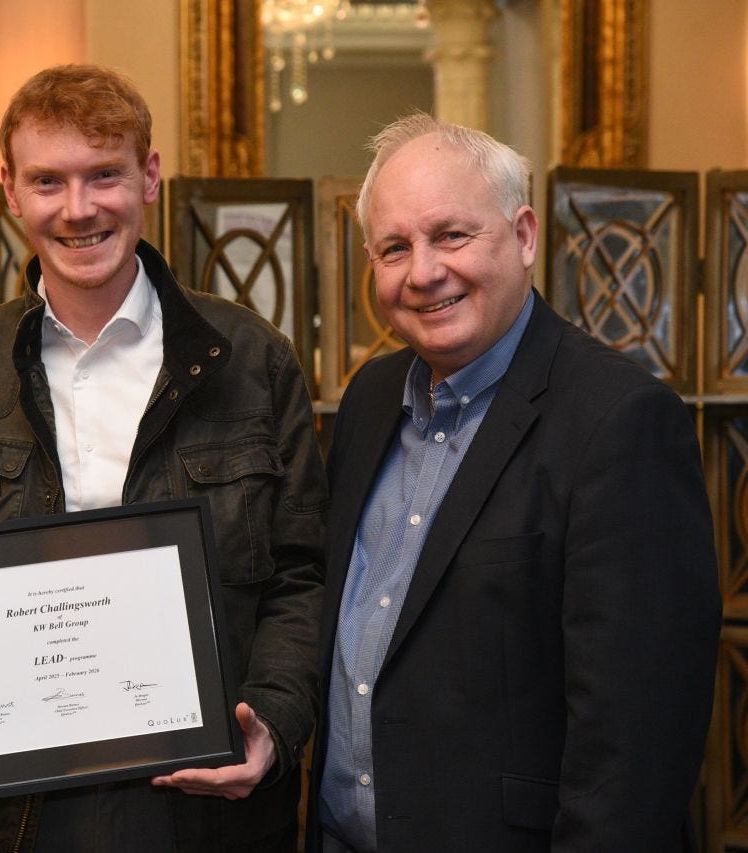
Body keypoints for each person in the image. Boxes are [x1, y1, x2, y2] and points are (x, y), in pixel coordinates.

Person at [0, 64, 327, 852]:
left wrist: (273, 721)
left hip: (207, 807)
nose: (78, 208)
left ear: (149, 177)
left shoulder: (253, 361)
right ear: (10, 192)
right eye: (48, 181)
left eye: (104, 175)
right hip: (13, 816)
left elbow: (303, 574)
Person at [306, 114, 721, 852]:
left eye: (451, 236)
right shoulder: (368, 400)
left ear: (525, 235)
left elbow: (636, 751)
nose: (423, 272)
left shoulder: (621, 421)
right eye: (395, 247)